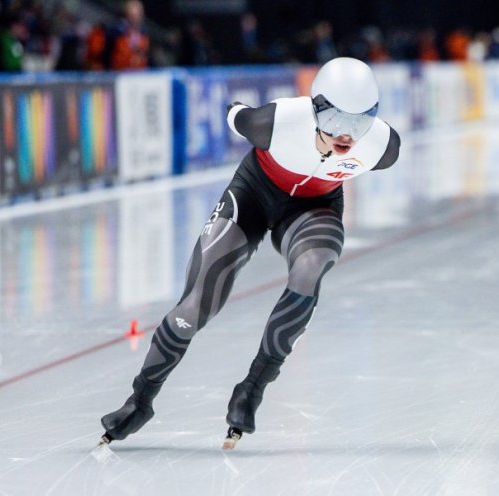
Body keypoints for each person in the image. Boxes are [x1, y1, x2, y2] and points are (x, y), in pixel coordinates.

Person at [98, 57, 401, 449]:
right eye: (336, 122)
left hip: (312, 210)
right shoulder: (276, 122)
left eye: (359, 123)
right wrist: (237, 111)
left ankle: (252, 389)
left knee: (310, 268)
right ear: (315, 111)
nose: (347, 136)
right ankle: (139, 402)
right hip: (253, 195)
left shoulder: (382, 146)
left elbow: (366, 142)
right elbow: (234, 113)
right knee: (195, 306)